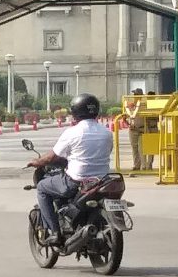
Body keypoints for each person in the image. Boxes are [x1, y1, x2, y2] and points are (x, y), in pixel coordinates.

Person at [27, 93, 113, 246]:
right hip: (102, 180)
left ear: (75, 112)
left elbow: (52, 157)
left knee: (41, 187)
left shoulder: (72, 132)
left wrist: (37, 162)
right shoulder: (106, 132)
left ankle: (55, 232)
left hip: (77, 181)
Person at [124, 88, 146, 171]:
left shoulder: (144, 105)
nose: (134, 96)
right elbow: (125, 117)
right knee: (134, 148)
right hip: (132, 129)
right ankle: (136, 165)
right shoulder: (131, 105)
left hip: (142, 129)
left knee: (142, 148)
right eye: (134, 95)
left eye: (136, 94)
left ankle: (144, 166)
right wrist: (128, 124)